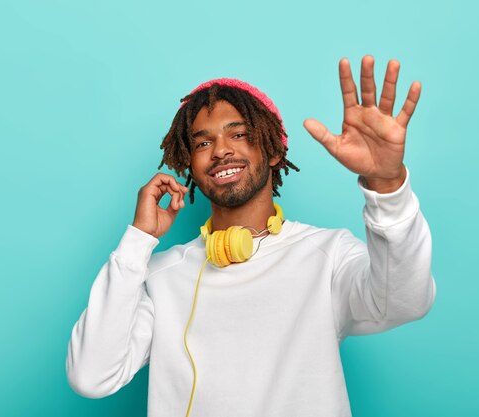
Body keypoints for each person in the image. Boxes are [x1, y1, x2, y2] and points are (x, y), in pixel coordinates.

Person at [66, 56, 436, 417]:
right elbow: (91, 376)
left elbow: (405, 301)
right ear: (190, 163)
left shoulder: (328, 255)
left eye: (239, 134)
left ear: (273, 150)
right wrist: (138, 241)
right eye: (202, 143)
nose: (221, 151)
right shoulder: (160, 276)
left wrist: (386, 185)